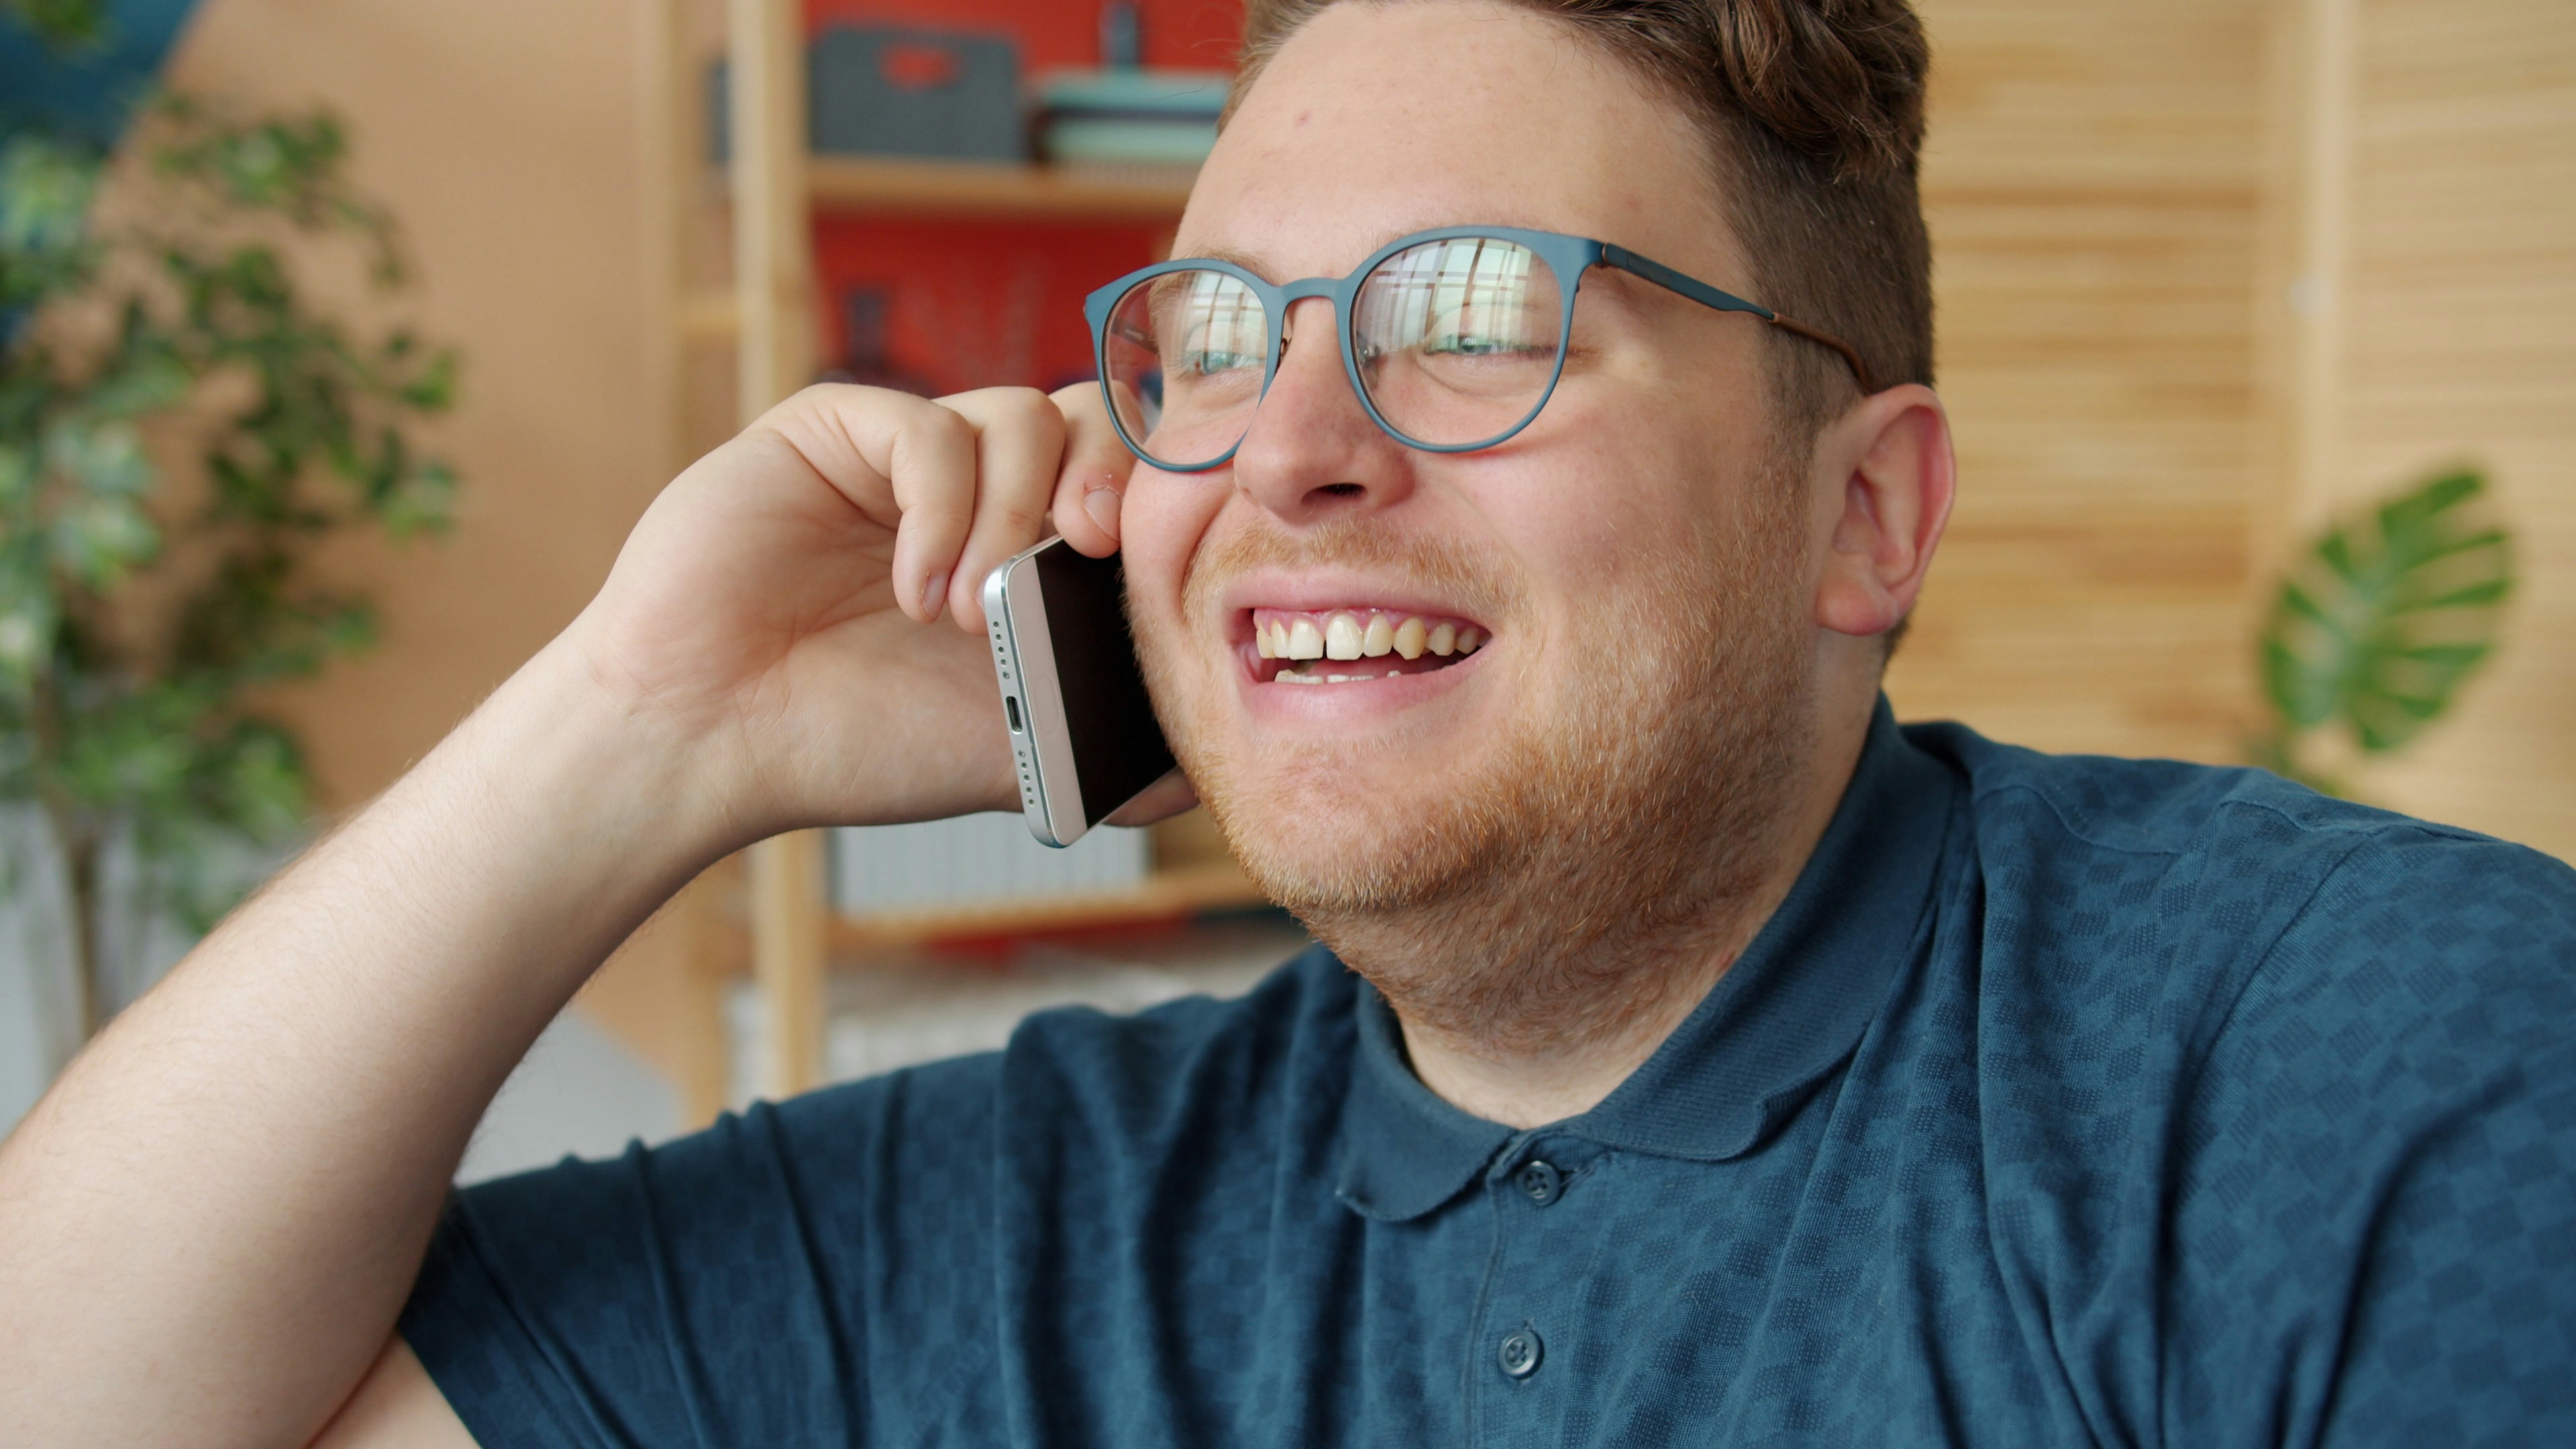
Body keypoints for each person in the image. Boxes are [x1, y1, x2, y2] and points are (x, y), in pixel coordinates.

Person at [5, 0, 2572, 1444]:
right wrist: (644, 730)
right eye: (1218, 341)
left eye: (1481, 319)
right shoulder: (1012, 1231)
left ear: (1862, 517)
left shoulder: (2377, 1078)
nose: (1298, 451)